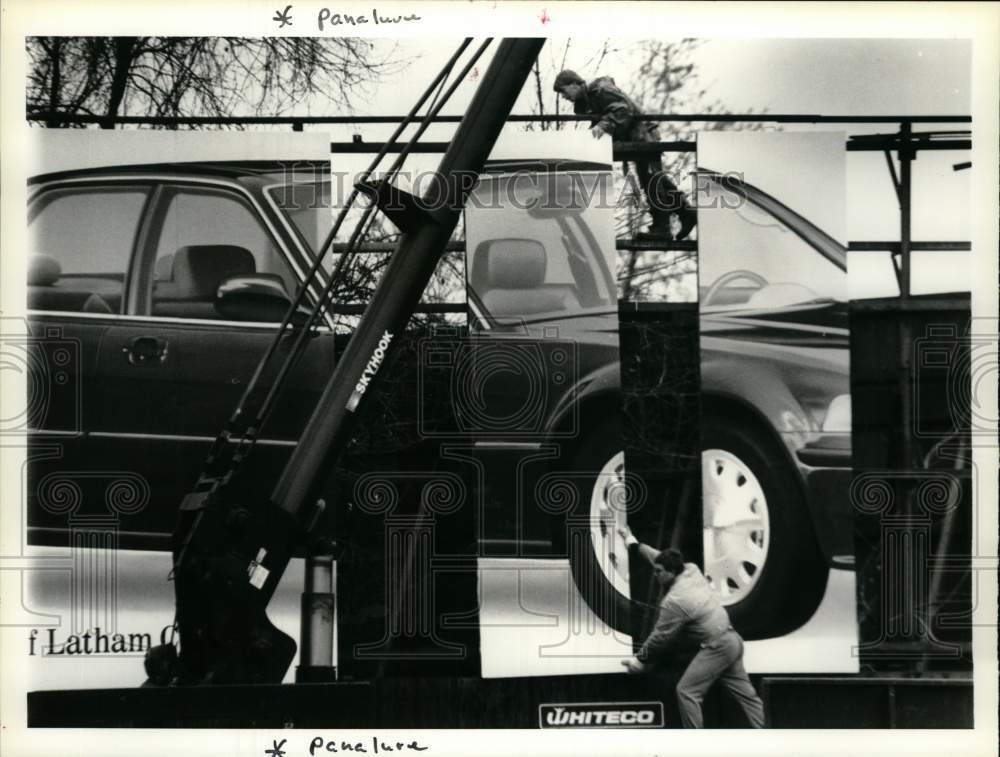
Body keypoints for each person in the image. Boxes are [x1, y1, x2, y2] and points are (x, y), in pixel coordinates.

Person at [617, 525, 765, 728]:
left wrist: (639, 660)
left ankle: (695, 746)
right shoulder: (690, 569)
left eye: (659, 572)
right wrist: (631, 541)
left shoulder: (676, 600)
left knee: (687, 691)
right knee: (748, 696)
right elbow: (657, 557)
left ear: (670, 573)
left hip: (718, 646)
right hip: (733, 641)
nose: (655, 575)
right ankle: (766, 734)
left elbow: (660, 637)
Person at [552, 69, 696, 241]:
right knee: (654, 178)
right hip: (636, 137)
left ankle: (663, 228)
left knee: (651, 179)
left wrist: (602, 127)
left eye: (563, 91)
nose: (563, 96)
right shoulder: (590, 99)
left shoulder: (602, 90)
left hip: (643, 135)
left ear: (575, 84)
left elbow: (623, 109)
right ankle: (686, 213)